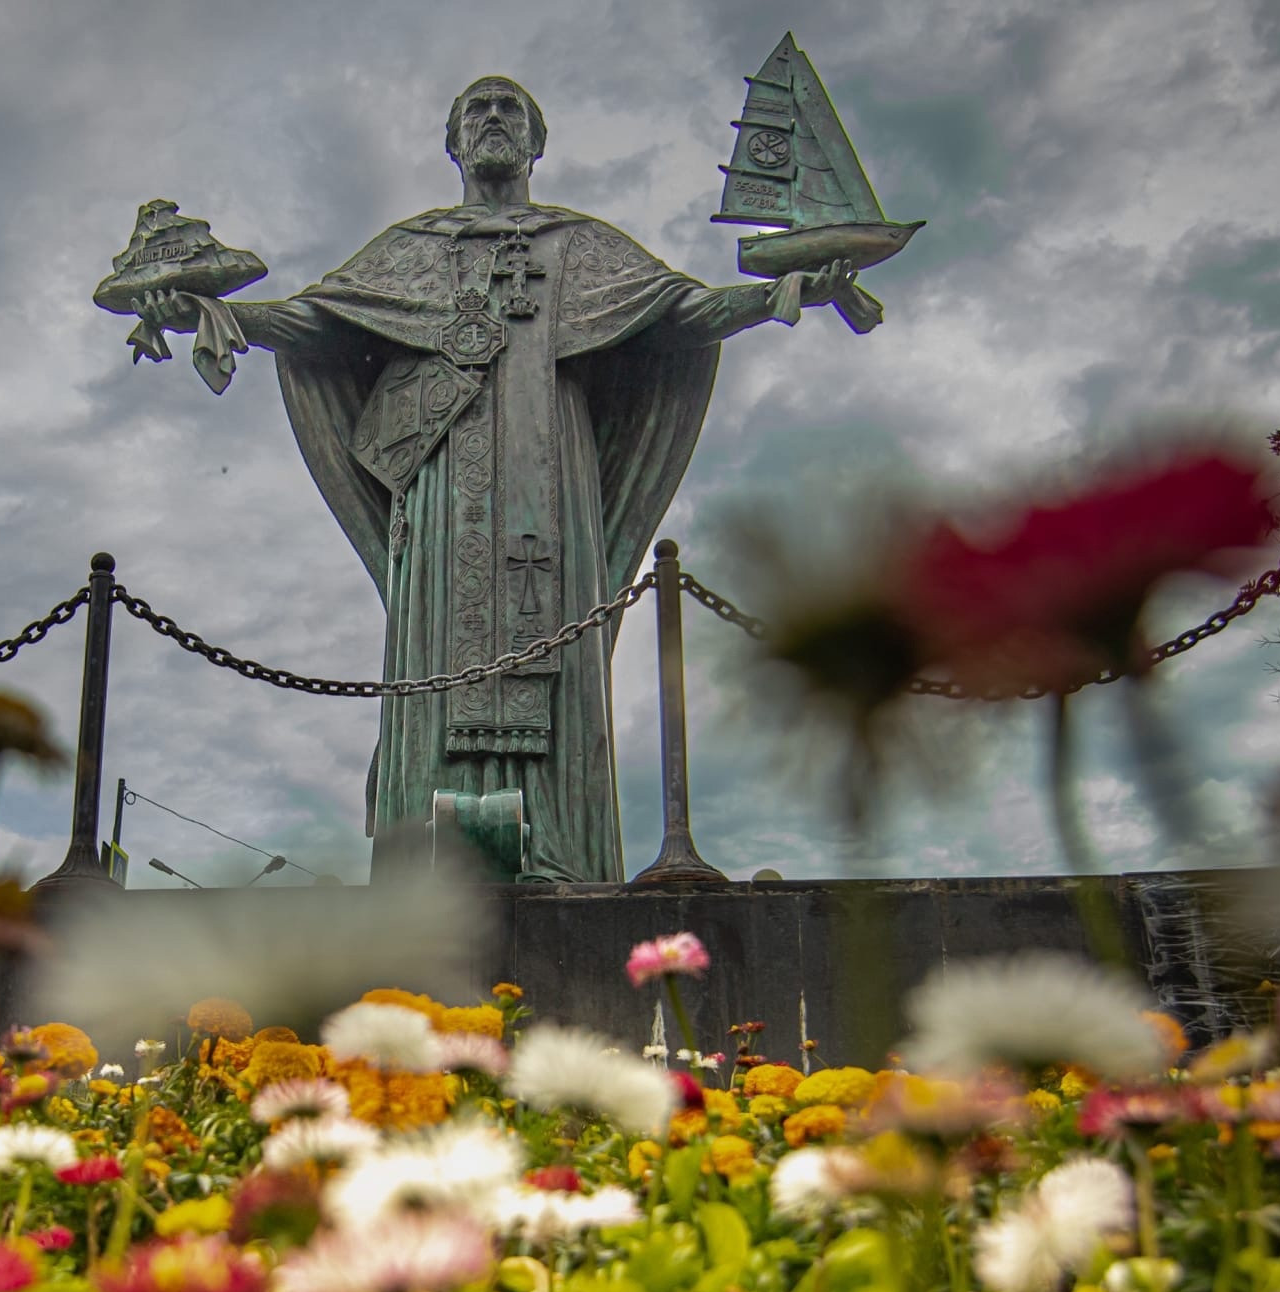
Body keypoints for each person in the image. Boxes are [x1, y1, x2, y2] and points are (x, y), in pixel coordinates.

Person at [138, 76, 854, 881]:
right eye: (475, 110)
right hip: (444, 492)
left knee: (552, 648)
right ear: (451, 143)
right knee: (439, 657)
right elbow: (314, 324)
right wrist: (211, 310)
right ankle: (430, 866)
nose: (492, 120)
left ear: (538, 142)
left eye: (510, 109)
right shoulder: (412, 250)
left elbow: (679, 315)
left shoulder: (579, 247)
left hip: (554, 481)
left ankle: (559, 854)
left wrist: (781, 291)